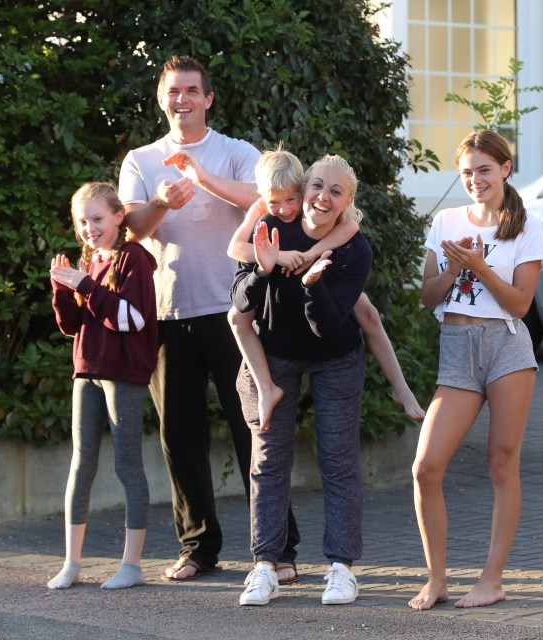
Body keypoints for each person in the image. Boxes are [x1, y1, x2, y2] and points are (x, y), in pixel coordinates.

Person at [118, 54, 300, 583]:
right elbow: (131, 228)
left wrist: (202, 176)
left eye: (192, 91)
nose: (183, 100)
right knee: (181, 436)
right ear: (161, 98)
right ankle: (198, 548)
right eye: (174, 91)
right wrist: (160, 202)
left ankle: (278, 548)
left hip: (235, 312)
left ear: (208, 98)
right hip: (168, 313)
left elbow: (267, 201)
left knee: (255, 433)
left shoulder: (237, 152)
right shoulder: (142, 159)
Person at [409, 130, 543, 611]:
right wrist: (453, 269)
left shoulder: (526, 227)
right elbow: (428, 297)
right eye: (467, 171)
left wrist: (479, 266)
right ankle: (437, 579)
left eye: (484, 170)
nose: (475, 180)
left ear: (505, 169)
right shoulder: (446, 220)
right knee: (425, 467)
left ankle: (492, 579)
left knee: (501, 462)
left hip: (506, 347)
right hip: (457, 348)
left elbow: (520, 304)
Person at [231, 155, 371, 607]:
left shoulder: (354, 248)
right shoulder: (272, 222)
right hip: (275, 356)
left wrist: (312, 282)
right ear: (301, 186)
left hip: (336, 355)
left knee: (339, 459)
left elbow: (328, 326)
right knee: (269, 459)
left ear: (348, 202)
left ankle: (342, 568)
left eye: (336, 192)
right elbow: (239, 299)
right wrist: (263, 268)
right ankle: (265, 565)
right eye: (317, 185)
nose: (322, 197)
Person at [224, 145, 425, 431]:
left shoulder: (343, 225)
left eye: (290, 200)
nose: (284, 209)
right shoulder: (266, 214)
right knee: (236, 317)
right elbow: (235, 248)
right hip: (279, 321)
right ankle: (265, 386)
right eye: (275, 203)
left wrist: (311, 255)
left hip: (327, 290)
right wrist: (275, 259)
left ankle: (400, 387)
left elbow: (351, 227)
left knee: (368, 313)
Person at [47, 182, 157, 591]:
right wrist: (64, 290)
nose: (89, 228)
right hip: (86, 370)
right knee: (82, 464)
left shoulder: (134, 259)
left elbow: (131, 320)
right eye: (82, 221)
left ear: (117, 217)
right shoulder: (91, 261)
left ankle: (131, 565)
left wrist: (84, 286)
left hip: (123, 374)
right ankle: (72, 562)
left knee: (127, 465)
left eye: (97, 218)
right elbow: (71, 326)